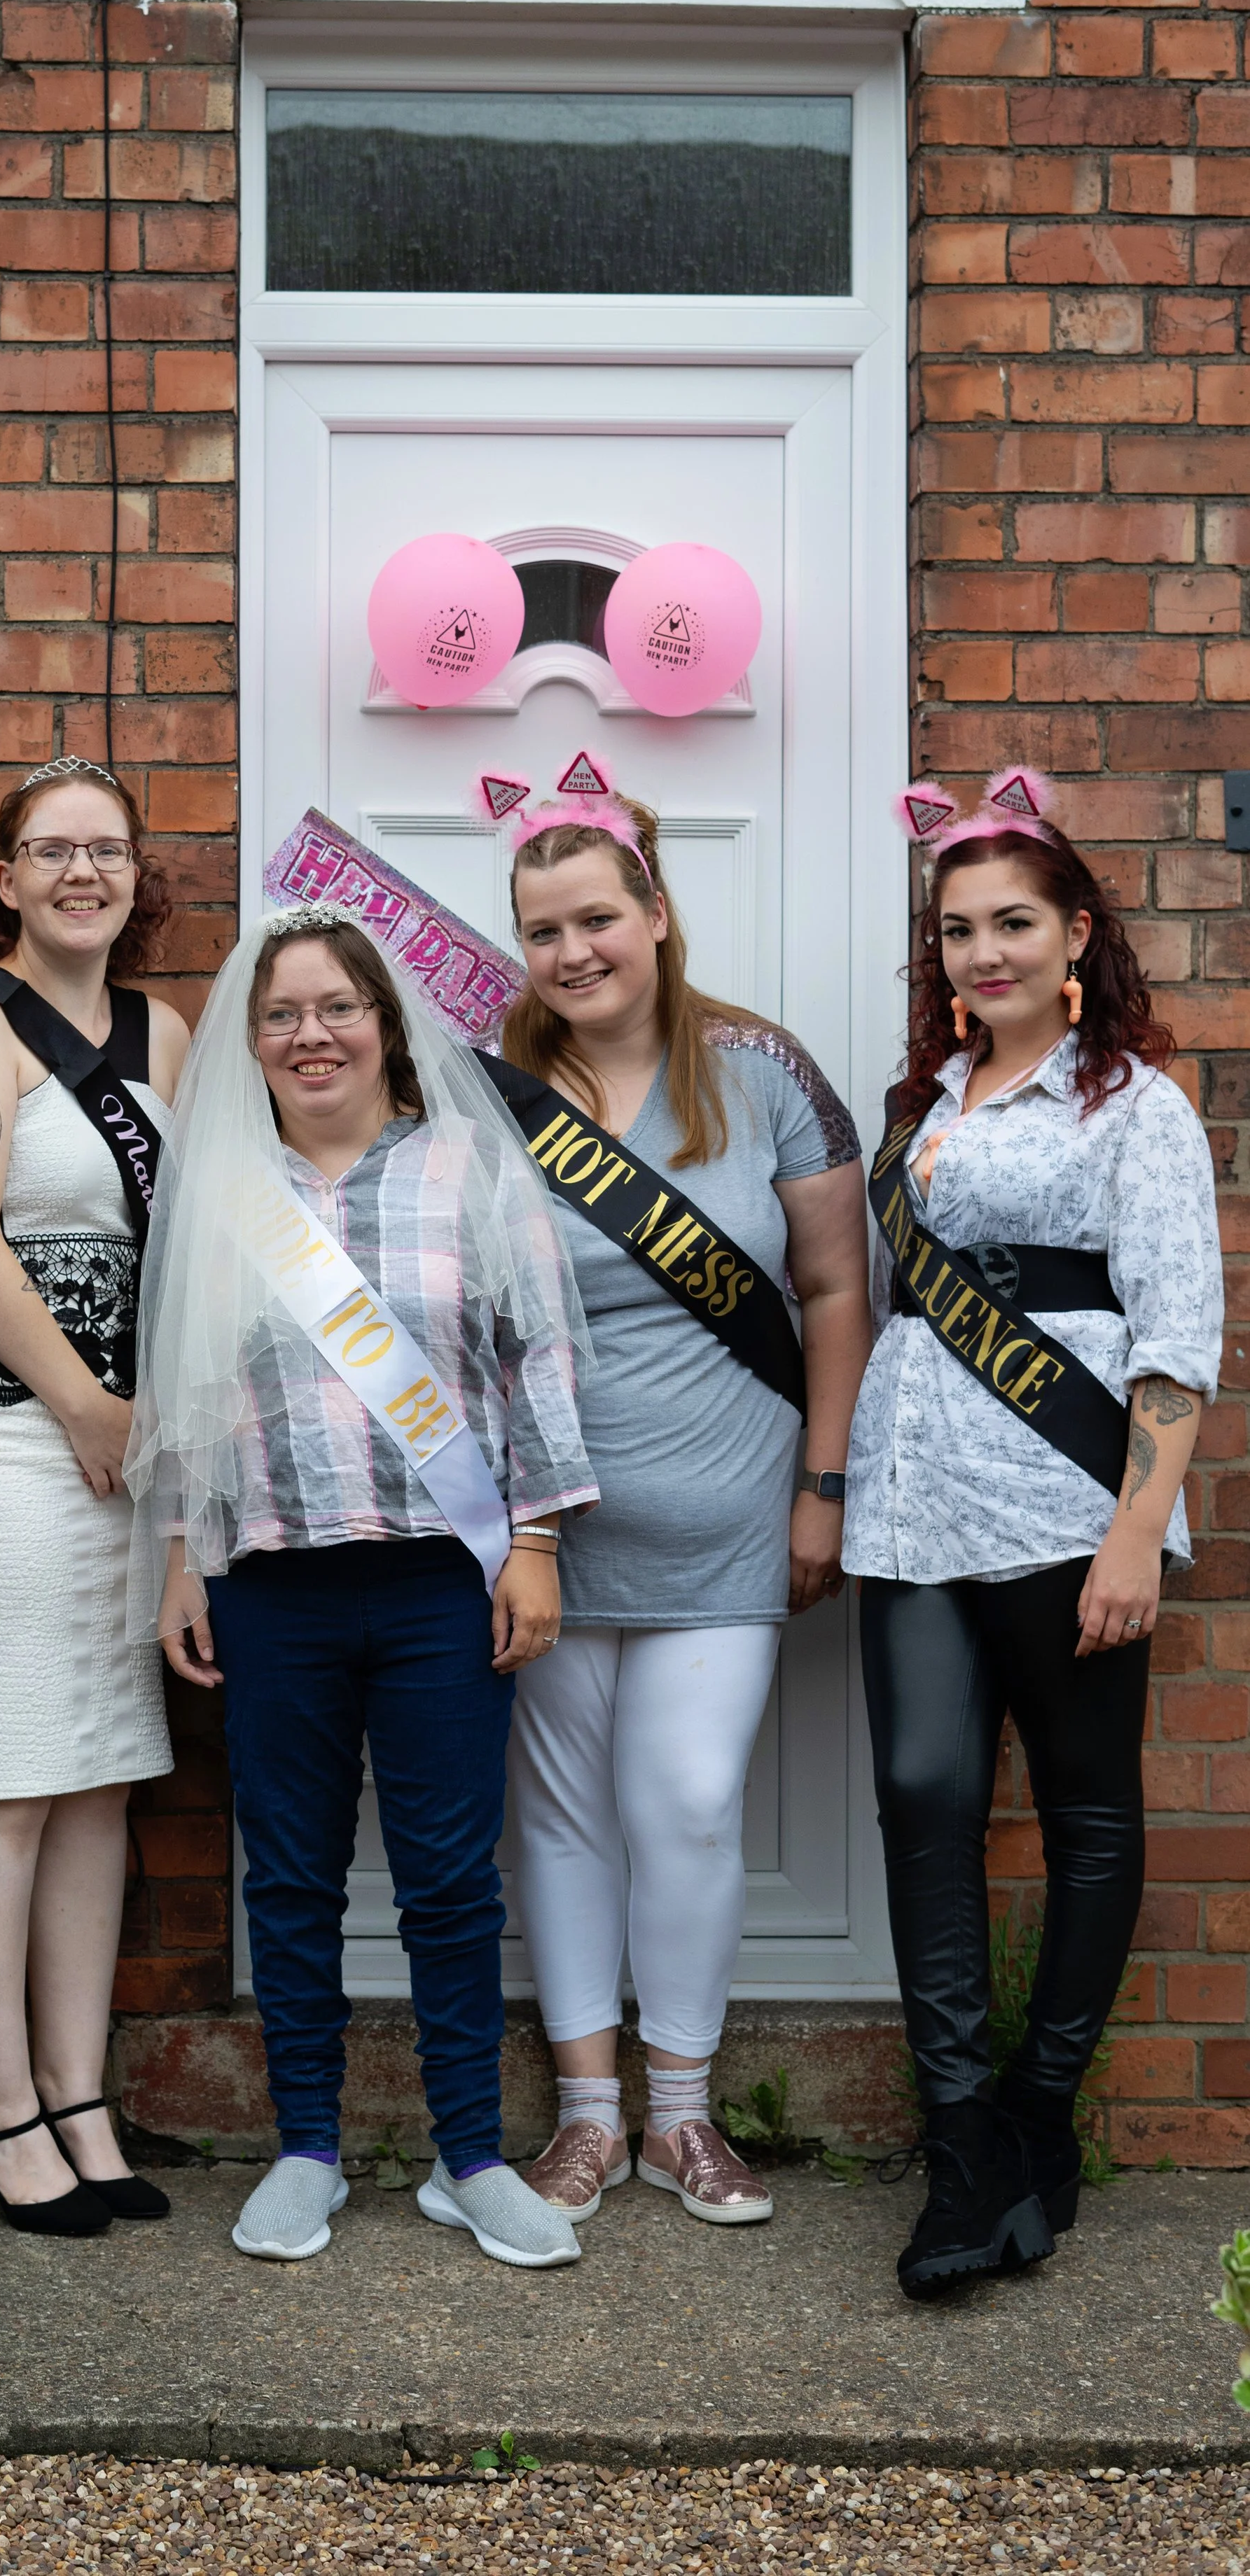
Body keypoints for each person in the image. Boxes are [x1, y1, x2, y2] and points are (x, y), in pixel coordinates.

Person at [132, 903, 598, 2270]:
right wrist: (181, 1561)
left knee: (451, 1879)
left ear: (385, 1024)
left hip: (440, 1584)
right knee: (288, 1876)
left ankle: (468, 2155)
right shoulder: (220, 1188)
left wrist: (538, 1544)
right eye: (280, 1014)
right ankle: (304, 2151)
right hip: (272, 1580)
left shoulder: (468, 1167)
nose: (309, 1033)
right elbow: (188, 1391)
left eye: (335, 1006)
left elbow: (538, 1362)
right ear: (251, 1040)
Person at [845, 768, 1223, 2300]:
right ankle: (957, 2150)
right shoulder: (918, 1108)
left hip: (1064, 1507)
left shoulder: (1134, 1104)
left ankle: (1035, 2118)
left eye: (1009, 923)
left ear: (1075, 932)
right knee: (922, 1802)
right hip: (906, 1502)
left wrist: (1134, 1531)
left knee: (1084, 1818)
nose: (978, 954)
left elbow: (1173, 1338)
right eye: (953, 931)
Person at [485, 758, 872, 2228]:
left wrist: (821, 1489)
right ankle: (589, 2119)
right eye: (541, 930)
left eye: (595, 917)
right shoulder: (486, 1087)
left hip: (726, 1517)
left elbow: (834, 1290)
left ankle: (684, 2115)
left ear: (655, 909)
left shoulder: (764, 1072)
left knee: (691, 1804)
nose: (571, 952)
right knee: (566, 1817)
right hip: (551, 1533)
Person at [0, 754, 190, 2239]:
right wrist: (81, 1408)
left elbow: (192, 1250)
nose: (84, 873)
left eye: (108, 851)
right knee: (6, 1780)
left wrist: (147, 1439)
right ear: (2, 880)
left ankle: (79, 2096)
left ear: (139, 878)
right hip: (3, 1444)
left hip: (126, 1457)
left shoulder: (166, 1032)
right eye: (52, 851)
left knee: (99, 1778)